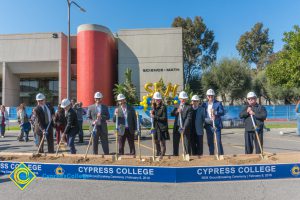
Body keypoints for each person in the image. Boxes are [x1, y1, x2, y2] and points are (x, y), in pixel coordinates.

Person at [203, 89, 225, 155]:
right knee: (210, 142)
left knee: (218, 141)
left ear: (214, 96)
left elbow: (222, 112)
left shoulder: (218, 103)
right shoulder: (204, 104)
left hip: (216, 125)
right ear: (207, 96)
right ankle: (211, 154)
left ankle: (220, 154)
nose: (210, 97)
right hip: (208, 125)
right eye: (209, 96)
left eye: (211, 96)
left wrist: (215, 112)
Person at [171, 91, 193, 156]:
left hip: (185, 128)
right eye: (181, 98)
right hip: (177, 127)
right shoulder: (176, 105)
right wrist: (177, 111)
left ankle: (187, 155)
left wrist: (184, 127)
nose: (183, 100)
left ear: (186, 99)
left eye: (184, 98)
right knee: (175, 143)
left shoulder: (189, 107)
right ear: (179, 99)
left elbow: (188, 118)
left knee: (186, 143)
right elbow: (172, 113)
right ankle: (175, 155)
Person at [150, 92, 169, 157]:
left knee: (162, 142)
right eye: (156, 99)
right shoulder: (154, 107)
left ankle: (162, 155)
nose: (157, 101)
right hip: (155, 127)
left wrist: (154, 116)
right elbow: (153, 117)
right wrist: (152, 113)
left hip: (162, 127)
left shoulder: (163, 107)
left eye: (158, 99)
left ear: (161, 100)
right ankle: (158, 152)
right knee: (156, 141)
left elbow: (164, 118)